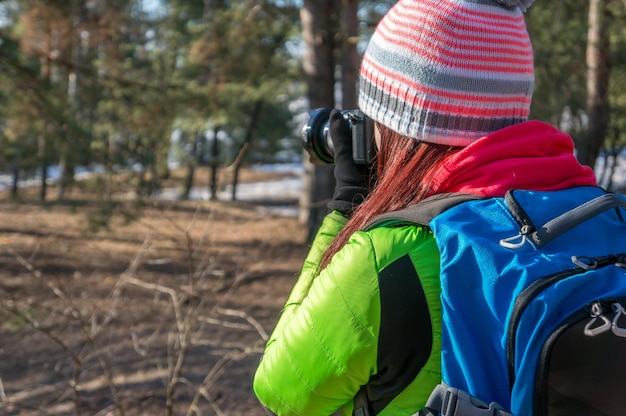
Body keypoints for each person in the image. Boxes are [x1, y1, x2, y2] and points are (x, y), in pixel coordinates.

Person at [253, 0, 598, 414]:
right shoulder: (598, 217)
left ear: (399, 126)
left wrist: (345, 208)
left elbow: (281, 390)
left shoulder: (390, 254)